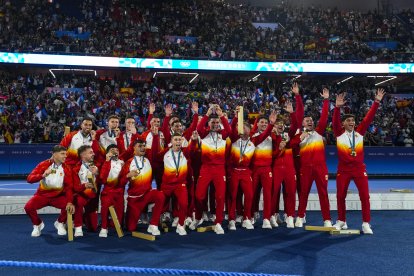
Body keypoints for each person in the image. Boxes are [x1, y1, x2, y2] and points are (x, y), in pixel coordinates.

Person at [332, 89, 386, 234]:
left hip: (358, 169)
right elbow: (335, 121)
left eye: (353, 121)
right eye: (348, 121)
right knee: (340, 196)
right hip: (343, 169)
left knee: (364, 195)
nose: (352, 122)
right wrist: (337, 108)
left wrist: (376, 102)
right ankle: (341, 221)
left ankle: (366, 223)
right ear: (343, 124)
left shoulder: (360, 132)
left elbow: (368, 118)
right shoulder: (338, 133)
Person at [227, 108, 276, 230]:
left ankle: (247, 218)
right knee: (232, 196)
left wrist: (271, 124)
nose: (244, 130)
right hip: (234, 171)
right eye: (241, 127)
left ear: (250, 130)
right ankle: (231, 220)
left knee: (249, 196)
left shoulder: (254, 140)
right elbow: (231, 128)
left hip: (246, 172)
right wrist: (235, 117)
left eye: (246, 128)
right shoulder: (234, 138)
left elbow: (264, 134)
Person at [190, 104, 231, 234]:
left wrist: (222, 116)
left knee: (219, 196)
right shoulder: (203, 134)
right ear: (209, 123)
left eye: (217, 122)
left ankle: (218, 222)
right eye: (212, 122)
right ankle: (197, 218)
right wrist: (206, 114)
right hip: (206, 168)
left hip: (219, 169)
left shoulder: (223, 135)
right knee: (199, 195)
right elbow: (198, 128)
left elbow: (229, 131)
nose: (215, 124)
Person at [295, 88, 332, 228]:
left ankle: (327, 219)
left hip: (320, 168)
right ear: (302, 124)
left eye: (311, 120)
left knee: (323, 193)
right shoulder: (299, 135)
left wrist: (326, 100)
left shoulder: (319, 132)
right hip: (305, 168)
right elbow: (298, 114)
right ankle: (300, 216)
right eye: (307, 120)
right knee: (303, 193)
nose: (310, 121)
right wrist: (298, 96)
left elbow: (324, 117)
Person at [25, 145, 75, 237]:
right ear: (54, 154)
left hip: (58, 196)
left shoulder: (67, 168)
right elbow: (29, 179)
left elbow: (68, 187)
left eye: (66, 154)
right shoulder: (43, 165)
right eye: (62, 154)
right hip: (42, 196)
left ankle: (60, 223)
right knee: (28, 207)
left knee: (70, 205)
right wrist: (42, 176)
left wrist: (69, 202)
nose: (65, 156)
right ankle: (37, 224)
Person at [119, 139, 165, 235]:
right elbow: (120, 183)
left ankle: (153, 225)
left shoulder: (147, 160)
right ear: (134, 148)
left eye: (144, 146)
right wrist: (127, 175)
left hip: (147, 194)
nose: (143, 148)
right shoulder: (129, 162)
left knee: (160, 195)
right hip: (135, 199)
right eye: (140, 146)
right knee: (130, 228)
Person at [158, 132, 197, 235]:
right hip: (167, 184)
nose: (178, 141)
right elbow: (155, 157)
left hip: (180, 184)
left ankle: (180, 225)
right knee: (161, 203)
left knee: (184, 204)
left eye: (180, 139)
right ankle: (157, 222)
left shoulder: (185, 152)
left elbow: (191, 148)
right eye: (175, 139)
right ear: (171, 141)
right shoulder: (165, 153)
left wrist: (193, 140)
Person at [271, 102, 301, 228]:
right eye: (278, 124)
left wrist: (292, 113)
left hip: (289, 169)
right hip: (276, 168)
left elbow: (295, 126)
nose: (280, 126)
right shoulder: (271, 137)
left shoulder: (288, 136)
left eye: (282, 124)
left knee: (290, 193)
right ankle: (273, 215)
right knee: (274, 193)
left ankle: (290, 216)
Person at [72, 145, 100, 236]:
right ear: (83, 155)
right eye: (91, 152)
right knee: (78, 202)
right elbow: (75, 188)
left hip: (93, 196)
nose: (94, 154)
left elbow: (104, 180)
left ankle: (83, 217)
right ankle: (78, 226)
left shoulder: (97, 165)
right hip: (81, 194)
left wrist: (97, 173)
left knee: (93, 228)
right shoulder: (76, 168)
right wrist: (84, 186)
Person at [98, 144, 125, 238]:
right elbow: (102, 178)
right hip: (108, 191)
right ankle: (104, 228)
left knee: (120, 213)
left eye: (116, 150)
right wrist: (107, 161)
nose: (114, 151)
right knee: (105, 207)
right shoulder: (105, 162)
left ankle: (113, 225)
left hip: (119, 191)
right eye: (112, 150)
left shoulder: (122, 162)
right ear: (107, 153)